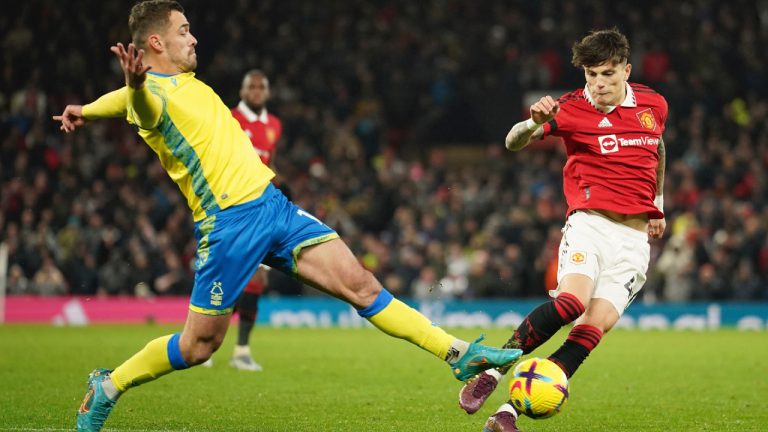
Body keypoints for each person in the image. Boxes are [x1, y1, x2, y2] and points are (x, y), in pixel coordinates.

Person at [53, 2, 522, 431]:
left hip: (273, 208)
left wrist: (85, 110)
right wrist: (133, 85)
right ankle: (109, 384)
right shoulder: (150, 96)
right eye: (184, 30)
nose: (193, 38)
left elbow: (115, 102)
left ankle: (457, 353)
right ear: (156, 42)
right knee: (199, 346)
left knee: (363, 286)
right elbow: (136, 104)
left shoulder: (184, 83)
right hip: (229, 226)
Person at [458, 28, 667, 432]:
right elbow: (512, 142)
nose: (599, 84)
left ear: (626, 69)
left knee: (593, 326)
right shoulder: (569, 108)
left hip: (634, 240)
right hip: (590, 222)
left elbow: (657, 149)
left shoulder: (654, 104)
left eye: (607, 74)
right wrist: (532, 123)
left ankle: (507, 413)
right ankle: (491, 369)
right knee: (572, 302)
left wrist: (656, 205)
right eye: (591, 75)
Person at [205, 70, 282, 371]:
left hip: (262, 210)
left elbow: (270, 162)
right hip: (233, 208)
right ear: (243, 89)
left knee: (257, 279)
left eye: (262, 86)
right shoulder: (230, 118)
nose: (257, 91)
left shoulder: (274, 125)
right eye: (252, 86)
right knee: (226, 278)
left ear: (268, 91)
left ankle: (241, 351)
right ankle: (203, 343)